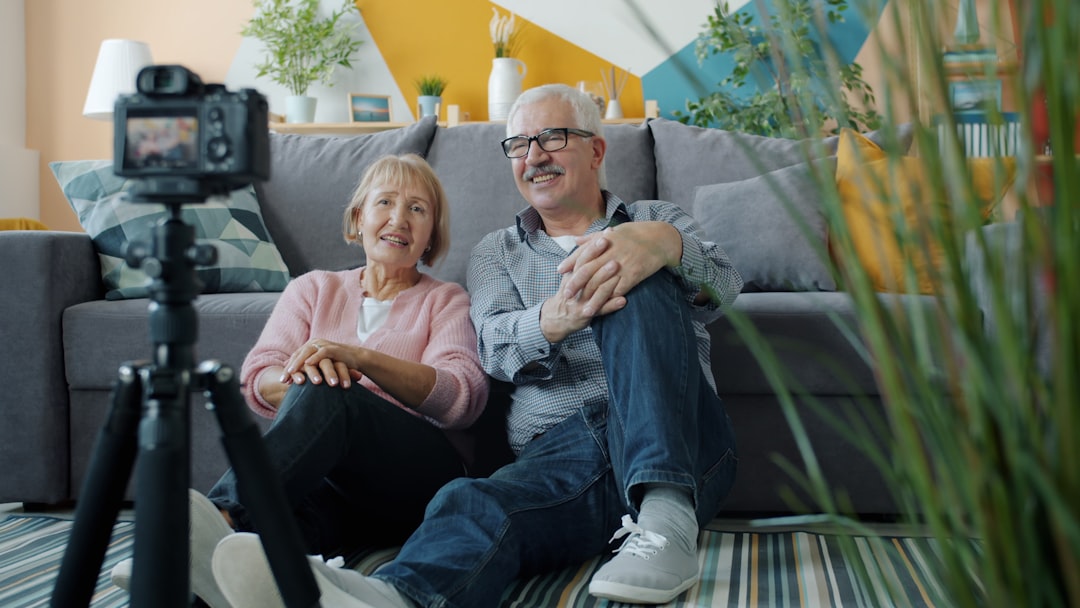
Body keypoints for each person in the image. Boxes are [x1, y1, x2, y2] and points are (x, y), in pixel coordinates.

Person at [210, 84, 741, 607]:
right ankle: (393, 596)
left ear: (597, 149)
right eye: (520, 145)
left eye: (552, 138)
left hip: (679, 431)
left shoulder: (657, 217)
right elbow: (493, 351)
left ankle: (667, 513)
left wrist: (661, 243)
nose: (534, 156)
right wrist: (552, 320)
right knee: (471, 501)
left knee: (632, 261)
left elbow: (726, 286)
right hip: (563, 452)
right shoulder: (496, 254)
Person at [110, 153, 490, 608]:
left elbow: (461, 398)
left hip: (417, 483)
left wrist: (356, 362)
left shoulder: (445, 299)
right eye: (384, 202)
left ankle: (219, 516)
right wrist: (312, 377)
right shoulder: (313, 288)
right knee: (251, 555)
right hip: (332, 491)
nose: (399, 218)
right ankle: (201, 576)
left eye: (417, 209)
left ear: (431, 235)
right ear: (358, 219)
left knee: (329, 391)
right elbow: (258, 378)